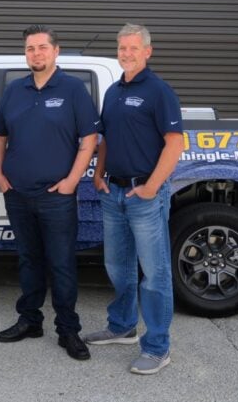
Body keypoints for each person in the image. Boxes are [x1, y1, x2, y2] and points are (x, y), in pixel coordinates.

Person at [0, 25, 99, 361]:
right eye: (30, 49)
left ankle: (68, 329)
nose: (35, 54)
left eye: (41, 48)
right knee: (28, 260)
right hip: (18, 194)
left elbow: (90, 139)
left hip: (57, 196)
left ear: (56, 51)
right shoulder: (14, 90)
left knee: (62, 263)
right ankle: (30, 320)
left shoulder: (72, 89)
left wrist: (71, 181)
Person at [82, 23, 184, 375]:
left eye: (133, 48)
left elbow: (175, 143)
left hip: (145, 195)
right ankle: (122, 325)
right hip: (114, 192)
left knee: (154, 274)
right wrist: (98, 172)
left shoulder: (159, 92)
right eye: (122, 48)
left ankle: (158, 347)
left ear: (147, 51)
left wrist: (153, 186)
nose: (126, 53)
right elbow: (106, 137)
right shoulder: (112, 92)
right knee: (118, 266)